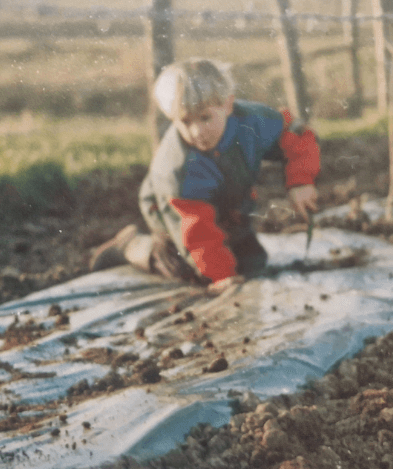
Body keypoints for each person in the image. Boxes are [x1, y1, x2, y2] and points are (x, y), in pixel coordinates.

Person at [89, 58, 320, 294]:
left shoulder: (251, 121)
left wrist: (300, 182)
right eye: (185, 122)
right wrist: (221, 277)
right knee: (188, 268)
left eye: (205, 118)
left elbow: (295, 133)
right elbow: (197, 233)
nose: (197, 132)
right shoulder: (178, 168)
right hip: (174, 209)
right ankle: (132, 246)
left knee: (253, 263)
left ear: (228, 105)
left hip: (230, 200)